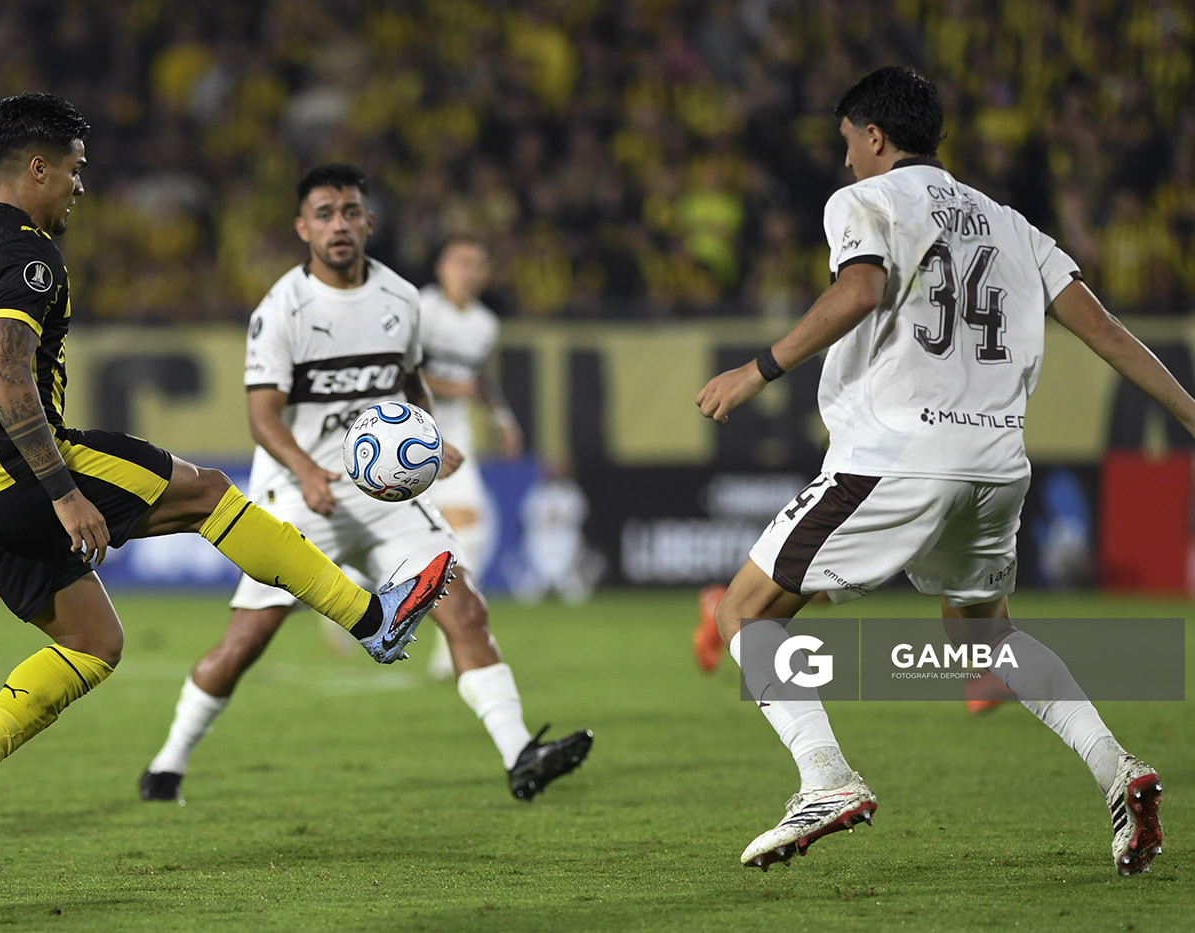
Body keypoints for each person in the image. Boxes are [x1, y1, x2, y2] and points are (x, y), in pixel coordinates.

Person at [0, 94, 454, 871]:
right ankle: (373, 618)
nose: (79, 188)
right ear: (37, 168)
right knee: (206, 492)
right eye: (73, 171)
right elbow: (5, 373)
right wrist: (63, 489)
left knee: (94, 642)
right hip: (23, 465)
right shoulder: (32, 255)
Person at [693, 67, 1174, 875]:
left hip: (896, 456)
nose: (844, 160)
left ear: (874, 136)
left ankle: (826, 779)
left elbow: (860, 289)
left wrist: (757, 370)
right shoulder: (1014, 225)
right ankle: (1119, 771)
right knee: (986, 638)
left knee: (746, 612)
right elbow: (1113, 335)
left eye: (848, 142)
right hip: (996, 460)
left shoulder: (865, 202)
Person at [138, 164, 592, 805]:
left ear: (368, 221)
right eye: (324, 214)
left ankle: (520, 754)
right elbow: (262, 415)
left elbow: (409, 383)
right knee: (245, 643)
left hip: (382, 495)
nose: (339, 225)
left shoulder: (402, 299)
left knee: (463, 607)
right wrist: (304, 472)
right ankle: (166, 766)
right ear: (303, 228)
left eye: (350, 212)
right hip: (300, 493)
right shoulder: (282, 309)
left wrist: (432, 441)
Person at [417, 234, 522, 676]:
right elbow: (398, 370)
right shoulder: (420, 310)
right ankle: (348, 606)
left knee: (470, 536)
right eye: (461, 262)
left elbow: (478, 378)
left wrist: (503, 419)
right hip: (408, 431)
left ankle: (451, 641)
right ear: (441, 267)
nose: (469, 272)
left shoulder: (485, 324)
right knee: (387, 536)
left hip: (455, 435)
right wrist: (447, 387)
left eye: (477, 264)